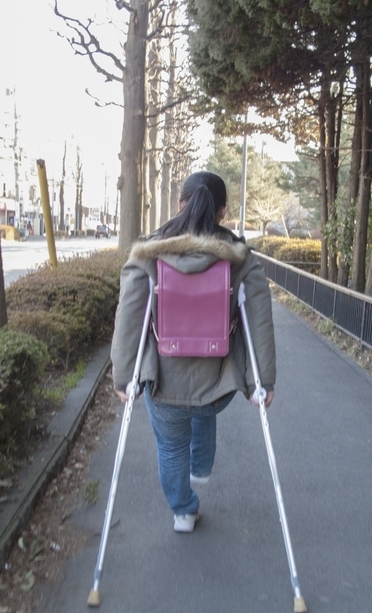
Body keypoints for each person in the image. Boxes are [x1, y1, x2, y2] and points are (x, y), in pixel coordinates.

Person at [110, 171, 276, 533]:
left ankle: (183, 512)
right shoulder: (241, 259)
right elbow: (259, 322)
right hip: (217, 379)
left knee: (171, 448)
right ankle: (200, 468)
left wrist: (123, 376)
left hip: (163, 380)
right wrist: (261, 382)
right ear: (223, 211)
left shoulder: (148, 254)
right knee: (203, 407)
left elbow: (129, 318)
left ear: (179, 204)